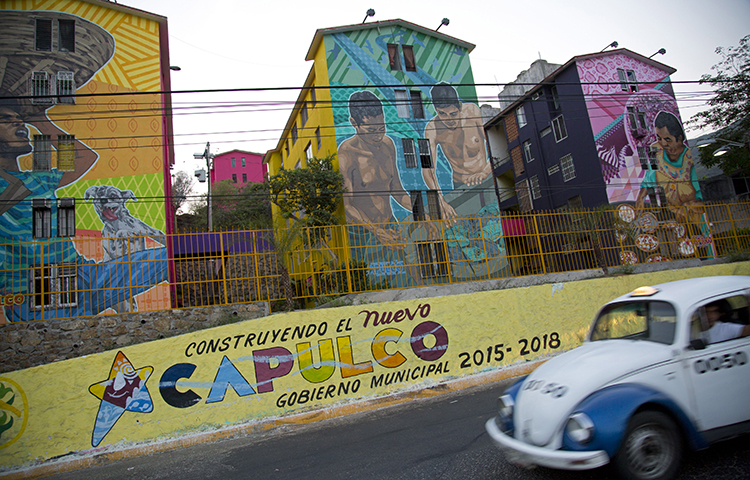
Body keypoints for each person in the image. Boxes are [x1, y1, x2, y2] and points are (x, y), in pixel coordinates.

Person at [634, 111, 704, 225]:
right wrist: (640, 198)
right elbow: (649, 180)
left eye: (667, 139)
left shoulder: (689, 161)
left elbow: (701, 199)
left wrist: (688, 206)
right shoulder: (656, 151)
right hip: (669, 217)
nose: (663, 143)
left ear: (679, 138)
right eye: (659, 138)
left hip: (693, 221)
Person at [425, 83, 491, 187]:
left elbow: (495, 144)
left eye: (453, 114)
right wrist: (440, 200)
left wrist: (485, 172)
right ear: (436, 110)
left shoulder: (472, 112)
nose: (449, 120)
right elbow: (427, 169)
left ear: (459, 107)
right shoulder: (431, 129)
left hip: (486, 177)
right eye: (442, 114)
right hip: (460, 184)